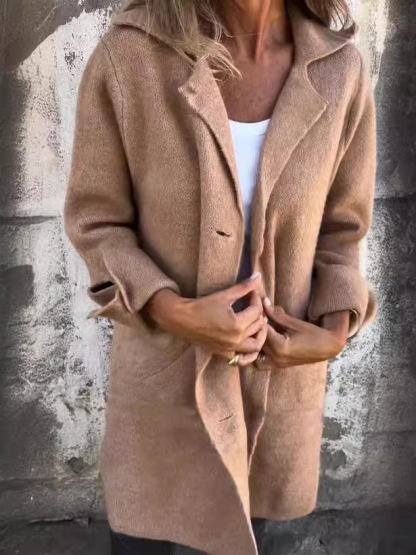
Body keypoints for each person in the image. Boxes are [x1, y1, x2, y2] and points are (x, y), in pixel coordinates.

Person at [63, 0, 377, 553]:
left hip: (275, 402)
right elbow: (97, 222)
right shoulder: (131, 56)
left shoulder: (339, 71)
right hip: (163, 398)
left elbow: (342, 230)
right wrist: (174, 311)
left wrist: (332, 333)